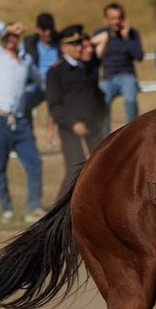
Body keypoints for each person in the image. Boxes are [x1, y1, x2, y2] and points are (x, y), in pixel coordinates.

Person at [0, 21, 46, 221]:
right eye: (8, 36)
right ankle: (6, 210)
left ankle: (33, 208)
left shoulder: (26, 60)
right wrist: (8, 27)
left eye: (15, 36)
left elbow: (41, 82)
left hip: (20, 122)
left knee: (35, 163)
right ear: (3, 37)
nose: (11, 38)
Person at [43, 25, 107, 192]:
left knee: (101, 168)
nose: (80, 47)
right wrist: (73, 124)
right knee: (74, 173)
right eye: (75, 44)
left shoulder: (85, 66)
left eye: (80, 43)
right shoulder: (56, 72)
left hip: (92, 128)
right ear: (64, 47)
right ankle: (57, 216)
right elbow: (54, 105)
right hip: (71, 130)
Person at [92, 4, 145, 128]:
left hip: (127, 75)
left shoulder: (132, 34)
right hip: (108, 77)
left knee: (130, 100)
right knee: (102, 103)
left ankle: (131, 133)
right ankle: (103, 138)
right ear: (105, 19)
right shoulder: (100, 34)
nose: (116, 22)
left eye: (119, 18)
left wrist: (127, 37)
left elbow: (139, 56)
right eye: (112, 18)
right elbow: (94, 57)